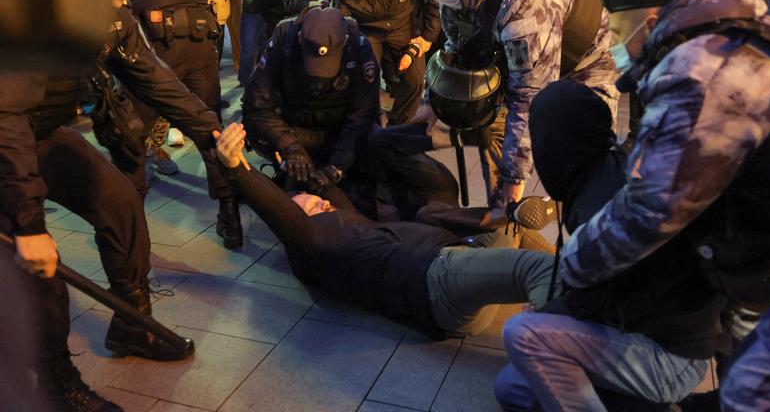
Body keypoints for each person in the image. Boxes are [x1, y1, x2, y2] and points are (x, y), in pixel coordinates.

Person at [496, 0, 770, 410]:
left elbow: (649, 211)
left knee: (752, 394)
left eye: (618, 30)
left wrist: (570, 270)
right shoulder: (734, 37)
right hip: (742, 277)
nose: (612, 45)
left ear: (651, 21)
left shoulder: (697, 67)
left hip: (700, 323)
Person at [0, 0, 230, 410]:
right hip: (4, 139)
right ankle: (55, 378)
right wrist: (29, 223)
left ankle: (132, 325)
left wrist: (212, 132)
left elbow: (155, 77)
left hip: (38, 132)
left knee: (120, 201)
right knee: (38, 267)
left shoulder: (104, 13)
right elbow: (7, 118)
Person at [214, 121, 560, 340]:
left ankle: (531, 235)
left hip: (461, 250)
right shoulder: (313, 247)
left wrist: (297, 162)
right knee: (536, 270)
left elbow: (327, 187)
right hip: (439, 283)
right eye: (310, 205)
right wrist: (238, 171)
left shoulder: (346, 221)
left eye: (319, 201)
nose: (322, 203)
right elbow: (279, 212)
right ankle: (578, 325)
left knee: (510, 231)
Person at [409, 0, 619, 227]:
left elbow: (528, 99)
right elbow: (456, 47)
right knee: (500, 115)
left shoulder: (526, 1)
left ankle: (598, 224)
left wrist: (512, 182)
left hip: (592, 59)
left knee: (587, 152)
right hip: (544, 48)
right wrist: (430, 103)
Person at [116, 0, 245, 249]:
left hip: (154, 40)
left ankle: (130, 232)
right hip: (201, 36)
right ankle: (230, 216)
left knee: (130, 136)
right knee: (209, 132)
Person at [242, 7, 379, 209]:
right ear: (299, 38)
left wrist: (338, 166)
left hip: (336, 127)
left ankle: (345, 173)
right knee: (252, 128)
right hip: (295, 125)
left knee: (374, 138)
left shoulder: (359, 47)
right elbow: (258, 105)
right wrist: (290, 147)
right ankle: (286, 168)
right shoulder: (282, 42)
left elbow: (363, 115)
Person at [331, 0, 441, 125]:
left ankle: (398, 126)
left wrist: (427, 37)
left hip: (403, 26)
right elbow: (340, 24)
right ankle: (368, 124)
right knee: (366, 77)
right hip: (367, 30)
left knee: (414, 81)